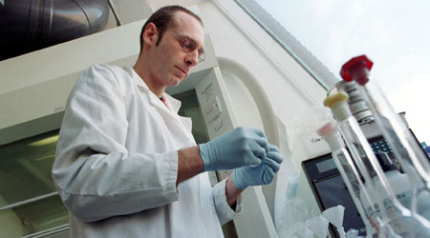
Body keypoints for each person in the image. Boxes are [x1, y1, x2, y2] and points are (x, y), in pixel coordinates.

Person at [52, 5, 283, 238]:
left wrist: (236, 184)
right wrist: (204, 156)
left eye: (199, 53)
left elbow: (189, 214)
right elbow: (82, 186)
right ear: (151, 35)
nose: (194, 60)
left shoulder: (177, 122)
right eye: (186, 45)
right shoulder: (107, 82)